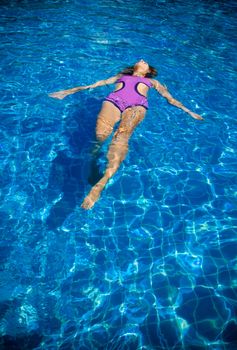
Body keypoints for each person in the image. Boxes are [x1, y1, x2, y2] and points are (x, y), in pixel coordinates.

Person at [49, 59, 203, 210]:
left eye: (146, 62)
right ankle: (92, 164)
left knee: (121, 138)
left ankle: (101, 183)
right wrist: (68, 91)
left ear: (149, 71)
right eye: (141, 60)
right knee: (98, 138)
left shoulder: (153, 82)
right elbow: (95, 84)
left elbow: (170, 98)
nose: (142, 60)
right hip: (113, 101)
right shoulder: (120, 76)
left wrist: (189, 111)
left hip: (136, 107)